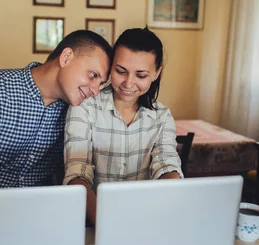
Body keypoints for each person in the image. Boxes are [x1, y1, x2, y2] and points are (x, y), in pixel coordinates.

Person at [0, 30, 112, 190]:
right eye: (92, 76)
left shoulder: (77, 111)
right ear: (66, 58)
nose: (95, 91)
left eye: (101, 83)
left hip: (41, 210)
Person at [63, 27, 182, 225]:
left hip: (146, 220)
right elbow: (78, 173)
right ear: (111, 67)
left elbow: (167, 165)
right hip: (93, 221)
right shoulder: (85, 107)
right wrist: (108, 224)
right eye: (121, 71)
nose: (128, 83)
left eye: (141, 75)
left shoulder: (161, 116)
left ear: (156, 73)